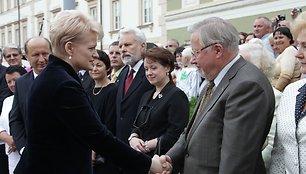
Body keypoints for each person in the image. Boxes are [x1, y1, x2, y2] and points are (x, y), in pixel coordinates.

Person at [13, 10, 164, 174]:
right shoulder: (62, 84)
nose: (95, 54)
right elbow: (99, 137)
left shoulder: (57, 76)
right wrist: (150, 165)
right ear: (69, 48)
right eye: (91, 47)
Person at [157, 17, 275, 174]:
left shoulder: (247, 86)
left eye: (196, 52)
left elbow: (236, 162)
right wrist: (170, 159)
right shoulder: (213, 80)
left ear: (218, 50)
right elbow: (192, 131)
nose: (192, 60)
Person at [129, 47, 189, 158]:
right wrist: (133, 138)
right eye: (146, 69)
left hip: (162, 158)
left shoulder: (176, 95)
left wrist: (148, 145)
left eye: (153, 68)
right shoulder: (146, 95)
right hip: (141, 157)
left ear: (167, 68)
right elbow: (137, 124)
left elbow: (177, 133)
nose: (149, 73)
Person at [269, 11, 306, 174]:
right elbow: (279, 152)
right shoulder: (291, 91)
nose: (298, 53)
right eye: (299, 45)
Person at [239, 41, 282, 172]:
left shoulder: (275, 96)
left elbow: (271, 144)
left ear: (259, 69)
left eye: (241, 65)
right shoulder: (236, 95)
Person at [9, 36, 52, 154]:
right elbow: (16, 119)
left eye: (45, 53)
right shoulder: (21, 83)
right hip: (32, 155)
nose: (42, 59)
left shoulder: (67, 79)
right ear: (27, 57)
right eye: (36, 55)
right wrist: (23, 148)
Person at [116, 27, 154, 145]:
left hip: (142, 144)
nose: (123, 49)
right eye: (121, 46)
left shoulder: (151, 73)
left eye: (127, 45)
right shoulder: (123, 73)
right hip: (121, 143)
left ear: (142, 46)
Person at [87, 50, 119, 174]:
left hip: (103, 151)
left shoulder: (113, 90)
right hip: (88, 148)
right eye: (92, 65)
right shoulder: (88, 91)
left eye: (99, 65)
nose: (94, 69)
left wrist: (94, 150)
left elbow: (109, 123)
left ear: (108, 68)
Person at [0, 65, 27, 174]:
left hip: (27, 151)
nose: (12, 84)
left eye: (15, 80)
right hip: (12, 155)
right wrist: (8, 139)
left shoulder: (32, 97)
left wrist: (18, 140)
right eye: (9, 82)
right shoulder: (7, 101)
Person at [271, 27, 301, 92]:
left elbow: (286, 76)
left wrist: (275, 93)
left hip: (286, 92)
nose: (278, 40)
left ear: (289, 38)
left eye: (281, 37)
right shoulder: (282, 54)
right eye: (275, 38)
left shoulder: (289, 50)